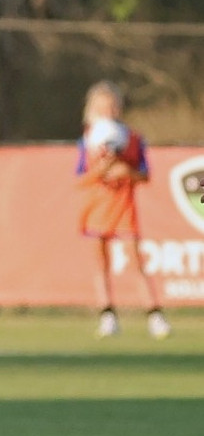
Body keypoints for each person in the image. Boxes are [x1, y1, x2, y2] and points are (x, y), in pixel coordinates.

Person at [77, 80, 170, 338]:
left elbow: (145, 175)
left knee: (136, 261)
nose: (108, 111)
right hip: (96, 207)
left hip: (123, 207)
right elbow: (80, 180)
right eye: (103, 106)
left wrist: (127, 172)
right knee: (100, 263)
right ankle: (107, 315)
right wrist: (101, 171)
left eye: (112, 106)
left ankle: (154, 315)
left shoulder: (132, 138)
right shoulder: (88, 140)